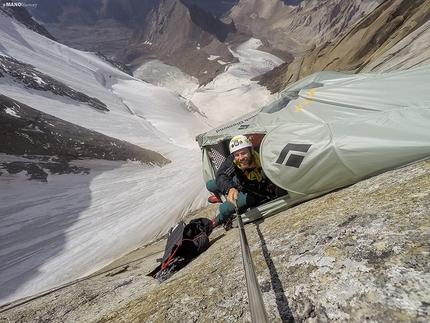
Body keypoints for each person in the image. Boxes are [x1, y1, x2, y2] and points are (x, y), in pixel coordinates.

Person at [206, 134, 282, 229]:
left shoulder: (263, 162)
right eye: (237, 155)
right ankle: (220, 197)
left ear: (251, 151)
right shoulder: (233, 160)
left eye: (243, 153)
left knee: (224, 209)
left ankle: (216, 221)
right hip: (239, 181)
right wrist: (230, 188)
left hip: (253, 192)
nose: (240, 158)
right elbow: (221, 175)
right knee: (209, 185)